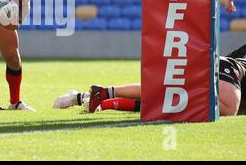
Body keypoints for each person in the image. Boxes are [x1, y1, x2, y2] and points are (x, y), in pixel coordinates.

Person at [53, 45, 246, 116]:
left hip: (219, 66)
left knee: (161, 102)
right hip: (226, 69)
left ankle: (94, 96)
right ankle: (98, 96)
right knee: (229, 109)